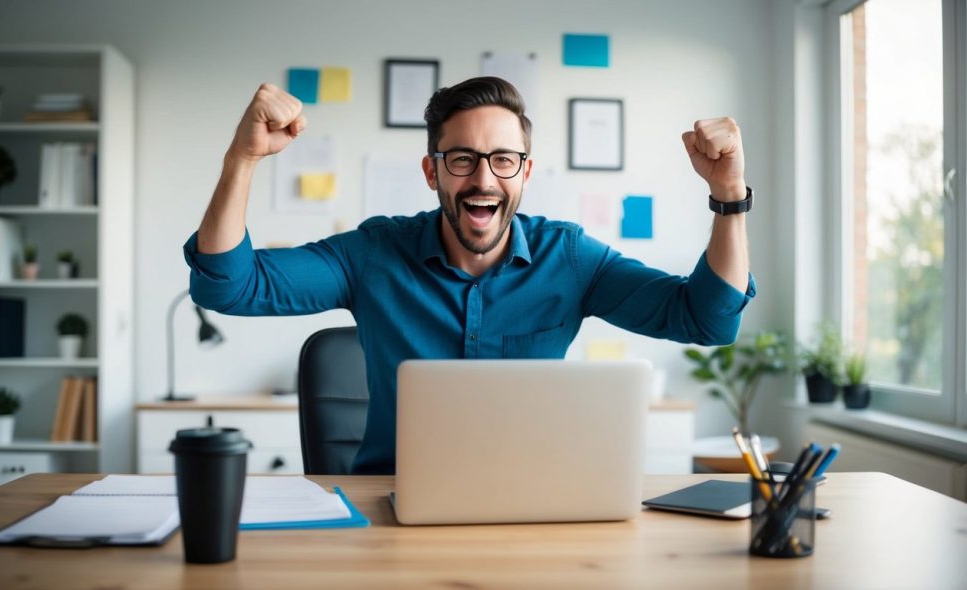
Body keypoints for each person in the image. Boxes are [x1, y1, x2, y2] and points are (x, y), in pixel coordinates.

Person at [184, 77, 755, 475]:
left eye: (503, 159)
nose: (484, 179)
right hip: (390, 501)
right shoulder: (375, 252)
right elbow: (228, 285)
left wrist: (728, 195)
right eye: (462, 159)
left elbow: (706, 319)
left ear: (525, 172)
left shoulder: (571, 259)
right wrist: (244, 157)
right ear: (432, 172)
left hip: (531, 505)